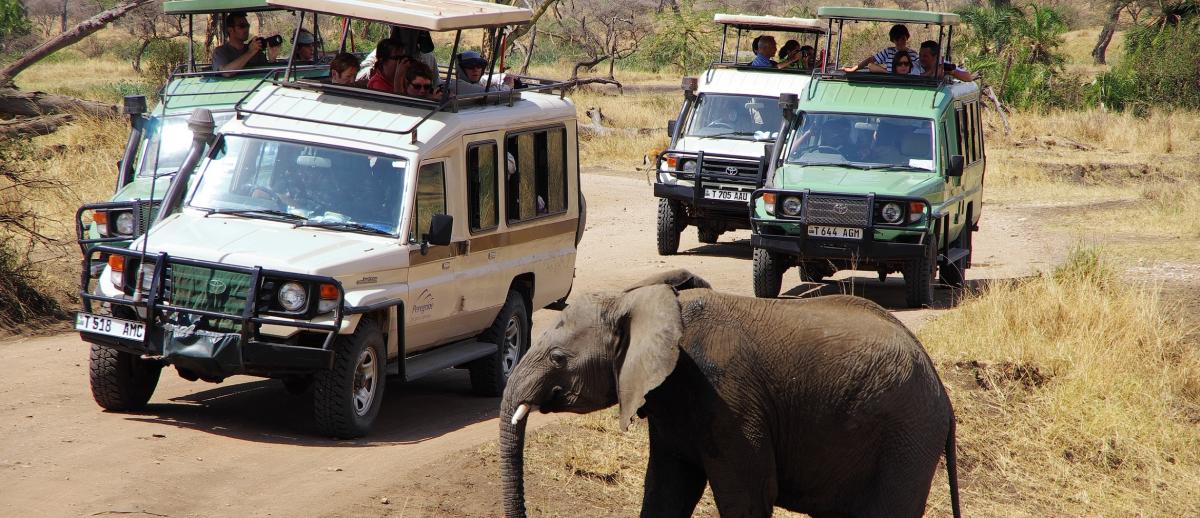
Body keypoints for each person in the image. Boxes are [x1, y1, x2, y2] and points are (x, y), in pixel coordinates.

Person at [211, 13, 280, 76]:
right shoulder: (220, 52)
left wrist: (272, 60)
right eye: (242, 26)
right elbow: (226, 72)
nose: (246, 29)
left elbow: (266, 74)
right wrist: (250, 52)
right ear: (230, 30)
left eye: (247, 26)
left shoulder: (255, 49)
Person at [845, 24, 920, 74]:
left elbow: (921, 70)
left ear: (907, 38)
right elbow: (870, 62)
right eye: (897, 39)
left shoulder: (913, 54)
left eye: (903, 39)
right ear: (893, 40)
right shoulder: (888, 52)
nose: (900, 42)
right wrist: (853, 69)